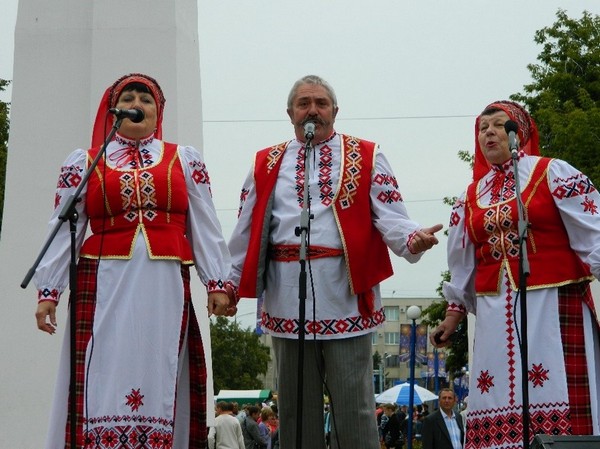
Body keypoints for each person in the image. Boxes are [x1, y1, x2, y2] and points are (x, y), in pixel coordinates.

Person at [228, 74, 442, 449]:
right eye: (304, 103)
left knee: (354, 407)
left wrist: (413, 239)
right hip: (286, 296)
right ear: (290, 112)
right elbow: (244, 226)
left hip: (344, 292)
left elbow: (392, 216)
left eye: (321, 103)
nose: (313, 110)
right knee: (294, 409)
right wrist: (227, 285)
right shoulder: (265, 162)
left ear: (335, 111)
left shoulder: (367, 154)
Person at [33, 73, 235, 448]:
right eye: (129, 97)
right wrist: (50, 290)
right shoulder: (88, 161)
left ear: (158, 114)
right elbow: (64, 228)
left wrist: (217, 281)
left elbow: (204, 222)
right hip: (104, 279)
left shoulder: (182, 159)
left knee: (161, 365)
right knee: (104, 367)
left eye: (147, 99)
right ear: (113, 111)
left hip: (164, 283)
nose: (137, 104)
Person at [431, 100, 600, 448]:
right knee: (496, 394)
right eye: (482, 127)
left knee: (557, 386)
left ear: (518, 132)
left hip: (553, 302)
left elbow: (593, 232)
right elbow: (463, 261)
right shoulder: (470, 196)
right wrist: (453, 314)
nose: (489, 132)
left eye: (498, 125)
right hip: (495, 314)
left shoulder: (551, 172)